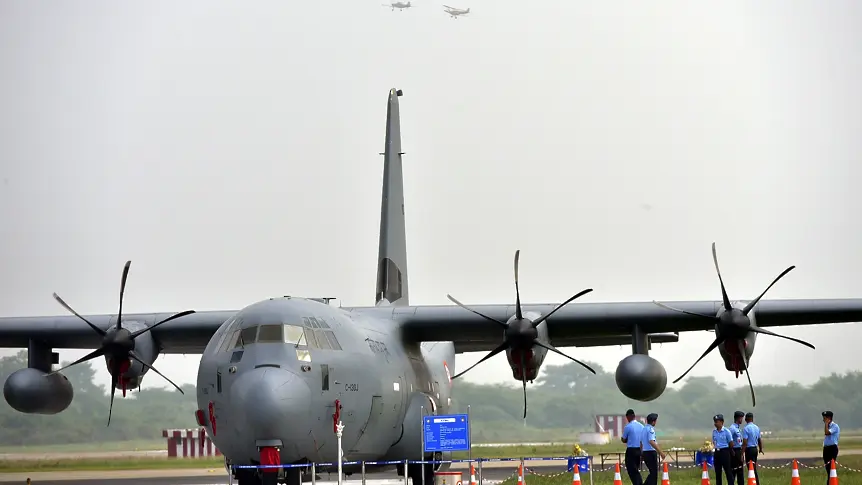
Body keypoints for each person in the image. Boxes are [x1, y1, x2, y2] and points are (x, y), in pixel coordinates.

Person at [640, 413, 666, 485]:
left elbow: (641, 442)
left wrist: (641, 453)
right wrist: (661, 452)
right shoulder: (650, 429)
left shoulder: (644, 429)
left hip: (645, 452)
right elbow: (651, 441)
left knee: (652, 472)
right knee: (654, 473)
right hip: (651, 452)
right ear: (653, 421)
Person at [621, 409, 645, 485]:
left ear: (629, 417)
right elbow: (643, 440)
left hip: (631, 451)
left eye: (627, 418)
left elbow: (624, 439)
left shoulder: (628, 427)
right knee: (636, 469)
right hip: (639, 450)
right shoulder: (641, 426)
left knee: (631, 470)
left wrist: (624, 439)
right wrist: (642, 452)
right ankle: (638, 482)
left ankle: (638, 483)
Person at [712, 414, 735, 485]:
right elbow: (714, 442)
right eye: (715, 422)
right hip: (717, 452)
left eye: (717, 421)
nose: (715, 423)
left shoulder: (726, 431)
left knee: (728, 471)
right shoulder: (714, 432)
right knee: (718, 472)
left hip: (724, 452)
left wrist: (730, 450)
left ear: (722, 422)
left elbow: (731, 443)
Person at [742, 412, 762, 485]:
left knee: (750, 468)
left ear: (746, 419)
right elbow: (759, 439)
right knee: (754, 467)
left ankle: (754, 482)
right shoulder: (757, 427)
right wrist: (761, 448)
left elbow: (745, 442)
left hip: (749, 450)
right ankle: (756, 482)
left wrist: (742, 453)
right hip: (755, 449)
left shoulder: (746, 428)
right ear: (752, 419)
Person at [822, 411, 840, 485]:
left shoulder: (835, 426)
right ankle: (830, 482)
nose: (823, 420)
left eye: (825, 418)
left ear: (829, 418)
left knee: (831, 467)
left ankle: (831, 483)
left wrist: (826, 423)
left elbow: (827, 433)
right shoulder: (827, 426)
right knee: (827, 468)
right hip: (826, 449)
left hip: (832, 448)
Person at [730, 411, 745, 485]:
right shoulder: (732, 428)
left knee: (740, 470)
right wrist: (731, 451)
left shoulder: (738, 428)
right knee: (734, 470)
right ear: (738, 418)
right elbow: (729, 441)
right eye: (741, 418)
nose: (742, 420)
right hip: (735, 451)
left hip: (739, 450)